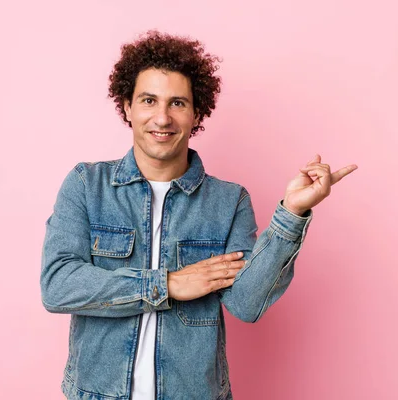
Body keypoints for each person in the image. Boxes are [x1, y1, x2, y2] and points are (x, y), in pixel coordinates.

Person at [41, 30, 358, 400]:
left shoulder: (229, 201)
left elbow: (246, 304)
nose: (162, 118)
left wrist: (292, 211)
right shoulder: (86, 185)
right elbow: (58, 286)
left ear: (196, 113)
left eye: (177, 103)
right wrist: (168, 284)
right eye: (148, 100)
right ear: (127, 106)